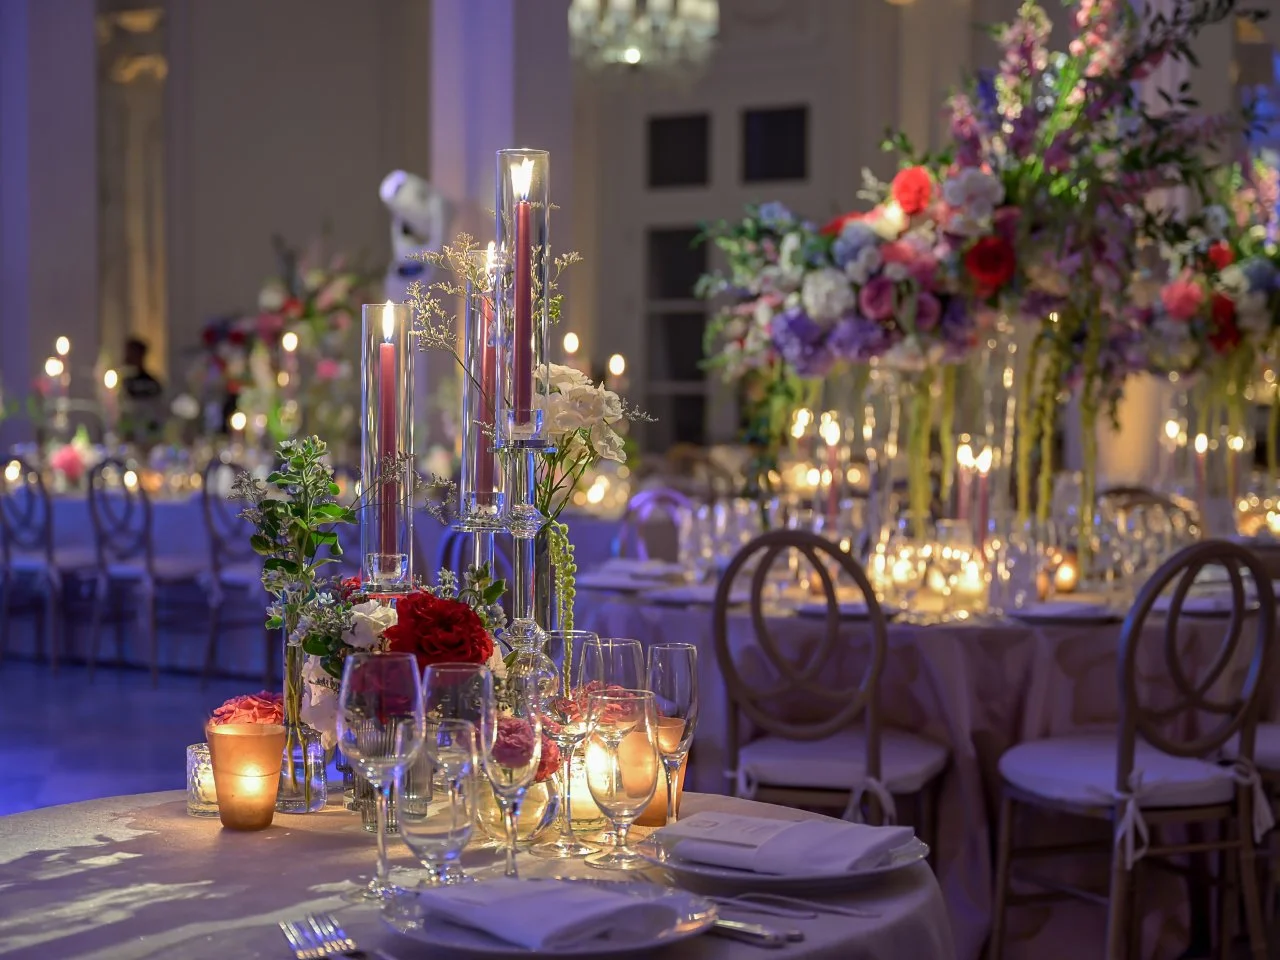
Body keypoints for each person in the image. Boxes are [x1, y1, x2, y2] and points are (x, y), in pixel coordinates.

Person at [121, 337, 164, 442]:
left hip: (149, 438)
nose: (128, 358)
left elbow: (158, 413)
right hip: (129, 438)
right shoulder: (122, 383)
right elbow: (122, 412)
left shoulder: (152, 384)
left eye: (132, 353)